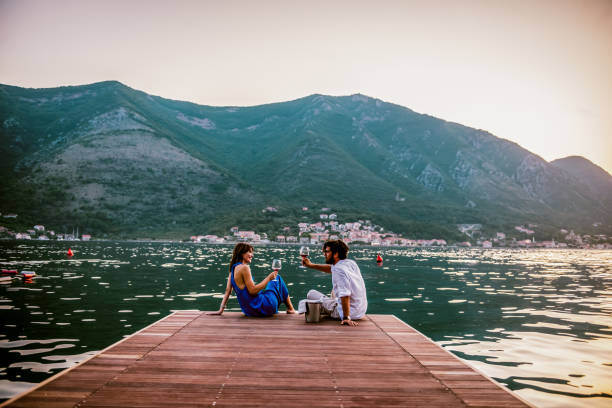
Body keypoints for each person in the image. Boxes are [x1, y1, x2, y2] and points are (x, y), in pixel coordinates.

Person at [208, 243, 296, 316]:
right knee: (277, 278)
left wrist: (220, 310)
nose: (252, 255)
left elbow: (228, 290)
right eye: (249, 252)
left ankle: (289, 308)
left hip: (249, 311)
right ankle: (291, 309)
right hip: (262, 307)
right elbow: (252, 291)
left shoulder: (233, 269)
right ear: (242, 253)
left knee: (272, 284)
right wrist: (268, 278)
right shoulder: (245, 268)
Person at [301, 240, 367, 326]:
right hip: (360, 311)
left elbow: (345, 295)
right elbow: (330, 268)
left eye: (327, 251)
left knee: (311, 294)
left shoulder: (339, 270)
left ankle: (323, 309)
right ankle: (326, 306)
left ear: (336, 254)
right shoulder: (350, 263)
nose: (324, 254)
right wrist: (311, 265)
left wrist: (346, 317)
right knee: (333, 291)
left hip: (345, 313)